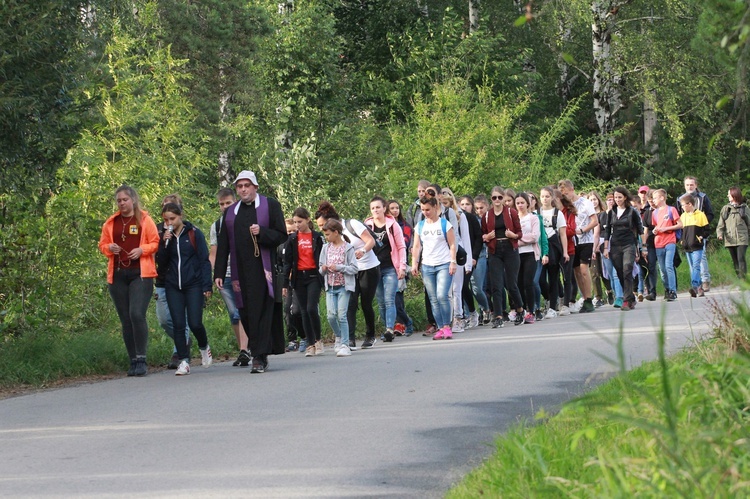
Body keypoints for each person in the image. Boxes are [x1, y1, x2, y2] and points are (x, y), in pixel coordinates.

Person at [214, 170, 288, 373]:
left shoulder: (270, 205)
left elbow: (281, 235)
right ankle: (259, 351)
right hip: (239, 273)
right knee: (245, 312)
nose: (243, 189)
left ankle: (259, 356)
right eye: (240, 186)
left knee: (261, 311)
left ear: (255, 187)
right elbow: (223, 245)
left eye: (247, 185)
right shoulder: (230, 212)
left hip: (263, 271)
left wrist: (262, 233)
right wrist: (219, 272)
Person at [99, 185, 159, 377]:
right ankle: (132, 360)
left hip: (140, 273)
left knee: (136, 314)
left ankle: (142, 358)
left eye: (125, 199)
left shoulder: (145, 220)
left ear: (133, 200)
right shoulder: (111, 223)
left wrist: (142, 250)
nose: (122, 203)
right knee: (125, 318)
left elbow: (155, 242)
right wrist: (110, 247)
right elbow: (102, 245)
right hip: (117, 274)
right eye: (119, 200)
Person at [157, 203, 213, 375]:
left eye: (172, 219)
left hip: (193, 284)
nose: (169, 223)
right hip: (173, 285)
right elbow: (161, 263)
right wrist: (164, 243)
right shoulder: (165, 237)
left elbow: (204, 260)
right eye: (166, 220)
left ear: (181, 216)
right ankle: (184, 361)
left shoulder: (194, 234)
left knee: (195, 323)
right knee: (179, 324)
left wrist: (206, 285)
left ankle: (204, 347)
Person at [315, 201, 380, 349]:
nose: (321, 229)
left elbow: (370, 241)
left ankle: (370, 335)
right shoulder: (329, 239)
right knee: (350, 304)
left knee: (366, 303)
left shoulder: (352, 225)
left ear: (331, 223)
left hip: (367, 267)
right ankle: (349, 338)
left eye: (322, 225)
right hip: (347, 272)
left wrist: (362, 251)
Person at [209, 188, 250, 366]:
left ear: (235, 202)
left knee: (243, 311)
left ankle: (244, 350)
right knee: (234, 314)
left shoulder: (244, 220)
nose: (225, 206)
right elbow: (214, 253)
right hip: (224, 275)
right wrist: (214, 273)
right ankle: (243, 348)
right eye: (221, 204)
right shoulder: (217, 226)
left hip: (242, 273)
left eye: (228, 203)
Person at [411, 196, 457, 339]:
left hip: (443, 263)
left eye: (428, 209)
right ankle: (441, 327)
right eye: (423, 210)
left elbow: (452, 244)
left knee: (442, 295)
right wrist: (414, 263)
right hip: (427, 265)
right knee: (433, 299)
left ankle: (447, 326)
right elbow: (417, 246)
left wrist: (453, 261)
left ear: (436, 207)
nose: (425, 212)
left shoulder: (445, 224)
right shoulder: (420, 226)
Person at [282, 207, 325, 357]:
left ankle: (318, 340)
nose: (297, 225)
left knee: (312, 308)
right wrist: (284, 284)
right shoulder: (292, 239)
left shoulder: (317, 237)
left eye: (300, 221)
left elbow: (322, 256)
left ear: (307, 220)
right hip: (298, 277)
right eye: (295, 222)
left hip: (314, 276)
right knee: (303, 312)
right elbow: (287, 262)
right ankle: (310, 343)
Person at [154, 193, 190, 369]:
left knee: (179, 318)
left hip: (181, 282)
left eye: (172, 206)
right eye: (164, 206)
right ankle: (183, 339)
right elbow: (153, 253)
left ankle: (179, 353)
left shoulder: (189, 231)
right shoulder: (156, 229)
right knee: (163, 319)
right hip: (161, 280)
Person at [365, 196, 407, 342]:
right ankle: (386, 328)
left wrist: (402, 267)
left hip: (390, 267)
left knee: (389, 300)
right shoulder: (367, 225)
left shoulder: (392, 225)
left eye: (378, 207)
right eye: (373, 208)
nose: (375, 210)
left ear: (384, 208)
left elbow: (401, 247)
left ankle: (390, 329)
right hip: (374, 268)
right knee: (381, 301)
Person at [481, 186, 524, 327]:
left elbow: (519, 232)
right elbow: (482, 234)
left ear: (503, 198)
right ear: (491, 199)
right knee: (496, 285)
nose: (497, 200)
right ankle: (498, 316)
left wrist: (514, 236)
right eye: (494, 198)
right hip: (495, 250)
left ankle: (520, 309)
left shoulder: (511, 213)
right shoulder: (487, 215)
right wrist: (486, 236)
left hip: (510, 249)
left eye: (500, 197)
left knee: (511, 284)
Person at [319, 219, 358, 357]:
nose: (326, 237)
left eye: (328, 234)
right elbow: (320, 268)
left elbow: (354, 268)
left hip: (343, 286)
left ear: (336, 232)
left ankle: (345, 344)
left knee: (342, 315)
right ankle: (339, 336)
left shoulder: (348, 248)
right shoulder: (325, 248)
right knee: (330, 316)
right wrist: (323, 269)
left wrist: (339, 267)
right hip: (330, 286)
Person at [558, 180, 598, 313]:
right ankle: (584, 296)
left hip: (585, 239)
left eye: (567, 193)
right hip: (573, 241)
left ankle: (589, 299)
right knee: (577, 272)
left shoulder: (585, 203)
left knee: (584, 269)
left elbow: (595, 221)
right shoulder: (565, 207)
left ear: (572, 189)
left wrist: (583, 229)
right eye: (563, 194)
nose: (566, 196)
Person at [602, 187, 644, 311]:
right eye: (615, 197)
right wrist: (605, 247)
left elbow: (640, 229)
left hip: (629, 244)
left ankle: (626, 300)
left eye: (620, 197)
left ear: (625, 197)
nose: (617, 200)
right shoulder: (611, 212)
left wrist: (643, 247)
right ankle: (630, 297)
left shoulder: (632, 211)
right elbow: (608, 231)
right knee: (620, 272)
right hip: (615, 245)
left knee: (627, 269)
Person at [439, 187, 473, 332]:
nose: (444, 205)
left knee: (457, 288)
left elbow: (465, 238)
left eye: (447, 202)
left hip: (458, 252)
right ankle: (447, 319)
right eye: (442, 202)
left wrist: (468, 262)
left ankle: (458, 318)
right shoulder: (436, 216)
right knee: (445, 291)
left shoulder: (460, 215)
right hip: (442, 254)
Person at [678, 176, 715, 292]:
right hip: (687, 234)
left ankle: (704, 281)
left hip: (699, 231)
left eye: (691, 185)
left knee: (701, 257)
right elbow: (679, 217)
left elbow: (710, 213)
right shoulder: (680, 199)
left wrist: (701, 224)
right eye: (687, 185)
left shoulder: (702, 197)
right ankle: (696, 285)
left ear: (696, 185)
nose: (689, 187)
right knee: (691, 261)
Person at [538, 186, 568, 318]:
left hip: (553, 244)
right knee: (540, 278)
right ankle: (548, 298)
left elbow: (563, 234)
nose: (545, 199)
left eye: (547, 196)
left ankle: (552, 308)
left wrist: (565, 252)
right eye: (543, 196)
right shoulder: (536, 212)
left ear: (551, 198)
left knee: (553, 277)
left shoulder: (558, 213)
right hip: (540, 246)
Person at [388, 199, 415, 336]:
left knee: (397, 301)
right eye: (392, 208)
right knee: (388, 301)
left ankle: (406, 322)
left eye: (396, 208)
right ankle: (393, 327)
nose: (394, 211)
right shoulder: (382, 226)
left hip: (399, 267)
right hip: (385, 268)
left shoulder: (405, 227)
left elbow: (404, 244)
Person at [459, 194, 486, 327]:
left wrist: (474, 257)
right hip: (460, 258)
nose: (464, 207)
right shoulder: (456, 218)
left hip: (476, 256)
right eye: (462, 204)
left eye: (467, 204)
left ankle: (485, 309)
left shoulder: (473, 219)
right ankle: (467, 314)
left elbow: (478, 239)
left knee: (476, 289)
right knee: (461, 288)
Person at [651, 189, 682, 301]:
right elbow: (656, 225)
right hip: (658, 242)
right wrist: (655, 230)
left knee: (669, 265)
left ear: (662, 198)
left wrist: (666, 228)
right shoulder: (654, 213)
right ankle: (667, 289)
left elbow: (680, 225)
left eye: (655, 198)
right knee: (662, 269)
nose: (653, 200)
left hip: (670, 240)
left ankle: (673, 291)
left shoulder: (671, 210)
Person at [515, 192, 541, 323]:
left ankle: (531, 311)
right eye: (518, 203)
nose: (520, 205)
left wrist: (517, 239)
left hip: (530, 253)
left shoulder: (533, 218)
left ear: (527, 203)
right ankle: (522, 310)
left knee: (528, 282)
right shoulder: (514, 219)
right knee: (518, 283)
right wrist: (517, 239)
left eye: (522, 203)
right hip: (516, 255)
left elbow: (535, 237)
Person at [679, 193, 710, 297]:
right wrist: (682, 240)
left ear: (690, 204)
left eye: (683, 205)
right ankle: (699, 288)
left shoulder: (701, 215)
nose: (682, 207)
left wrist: (701, 237)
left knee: (696, 266)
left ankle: (694, 286)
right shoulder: (683, 216)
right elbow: (681, 231)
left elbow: (707, 230)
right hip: (687, 245)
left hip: (697, 245)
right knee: (692, 267)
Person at [716, 186, 750, 279]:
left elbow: (749, 223)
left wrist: (745, 216)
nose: (728, 196)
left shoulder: (744, 208)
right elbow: (721, 224)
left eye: (729, 194)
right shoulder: (726, 209)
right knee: (735, 260)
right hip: (730, 239)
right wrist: (720, 234)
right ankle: (739, 278)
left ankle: (743, 280)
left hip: (742, 238)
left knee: (741, 259)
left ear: (735, 195)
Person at [471, 195, 492, 324]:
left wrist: (485, 237)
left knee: (479, 287)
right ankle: (474, 312)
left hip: (483, 255)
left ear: (487, 207)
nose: (479, 211)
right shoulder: (472, 220)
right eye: (477, 208)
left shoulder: (489, 219)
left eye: (482, 208)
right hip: (470, 255)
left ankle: (486, 308)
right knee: (470, 287)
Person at [557, 189, 578, 315]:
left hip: (568, 249)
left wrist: (561, 230)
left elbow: (571, 231)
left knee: (568, 276)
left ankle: (570, 301)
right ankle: (560, 298)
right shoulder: (550, 213)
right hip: (555, 248)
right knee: (556, 276)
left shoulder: (569, 212)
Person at [639, 186, 658, 301]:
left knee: (666, 267)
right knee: (651, 266)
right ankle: (652, 291)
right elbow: (644, 232)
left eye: (653, 201)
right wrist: (644, 247)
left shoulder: (664, 210)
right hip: (650, 243)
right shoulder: (647, 213)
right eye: (650, 201)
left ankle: (670, 289)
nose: (652, 203)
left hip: (663, 241)